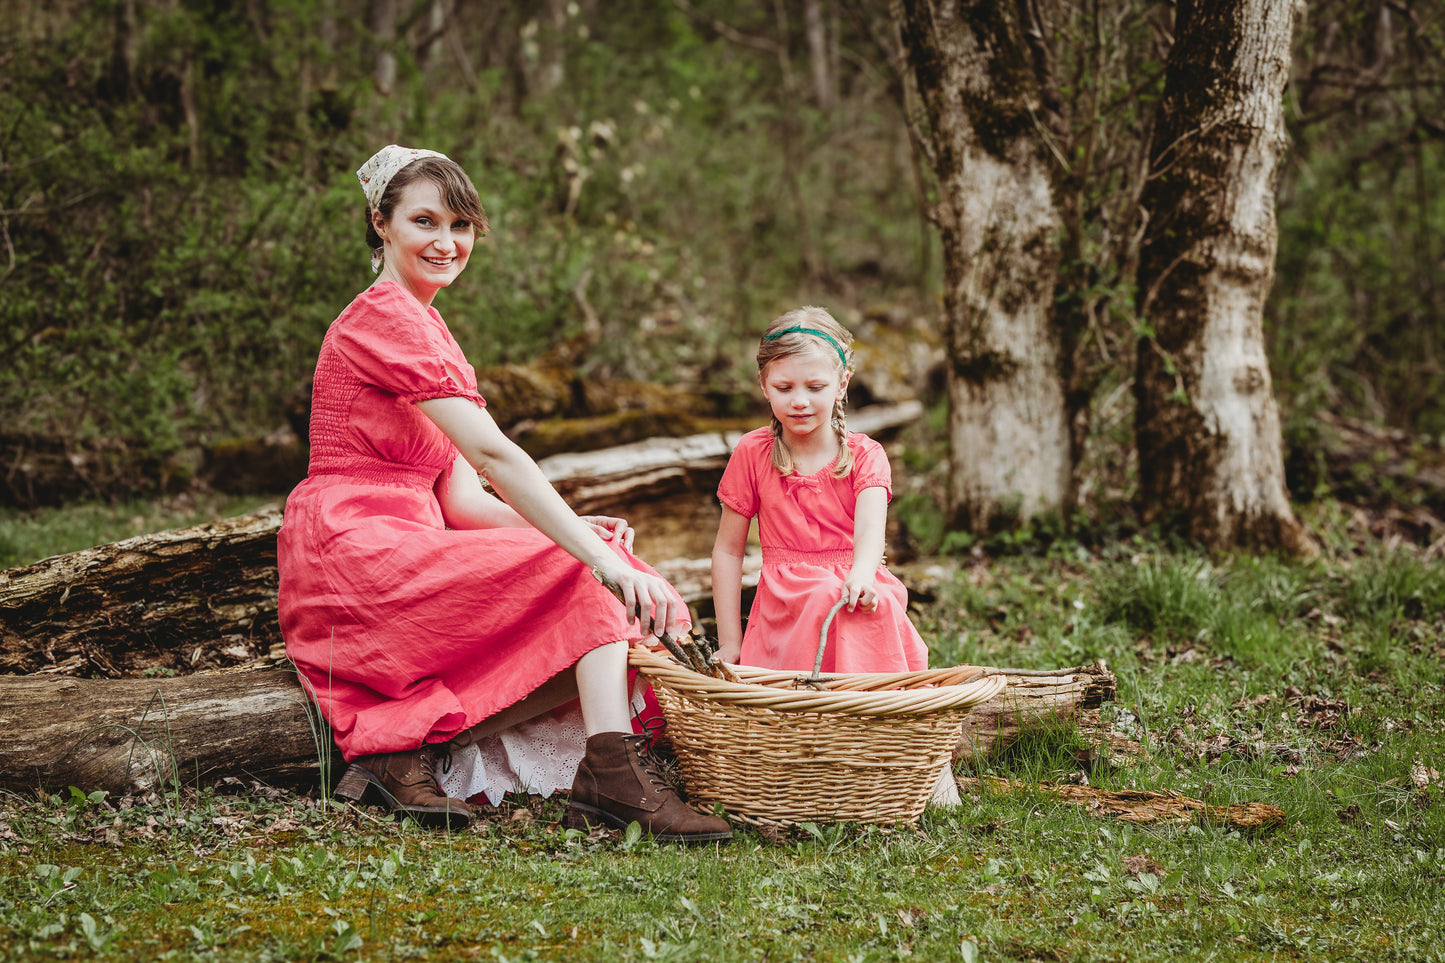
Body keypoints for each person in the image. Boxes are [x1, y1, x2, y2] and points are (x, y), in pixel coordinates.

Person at [276, 144, 731, 843]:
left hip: (411, 540)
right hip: (353, 550)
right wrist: (589, 554)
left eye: (460, 226)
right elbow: (493, 454)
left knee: (602, 573)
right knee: (592, 572)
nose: (446, 242)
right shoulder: (381, 318)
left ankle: (425, 750)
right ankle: (612, 780)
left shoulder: (429, 327)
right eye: (425, 221)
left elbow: (462, 498)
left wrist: (578, 532)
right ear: (380, 223)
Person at [710, 306, 959, 805]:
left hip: (855, 580)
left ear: (842, 384)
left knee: (858, 601)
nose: (800, 400)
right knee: (822, 596)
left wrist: (863, 575)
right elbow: (728, 550)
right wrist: (729, 641)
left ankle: (899, 757)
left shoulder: (865, 455)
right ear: (764, 386)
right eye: (784, 387)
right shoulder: (753, 453)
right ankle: (807, 767)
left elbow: (870, 533)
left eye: (815, 387)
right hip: (787, 595)